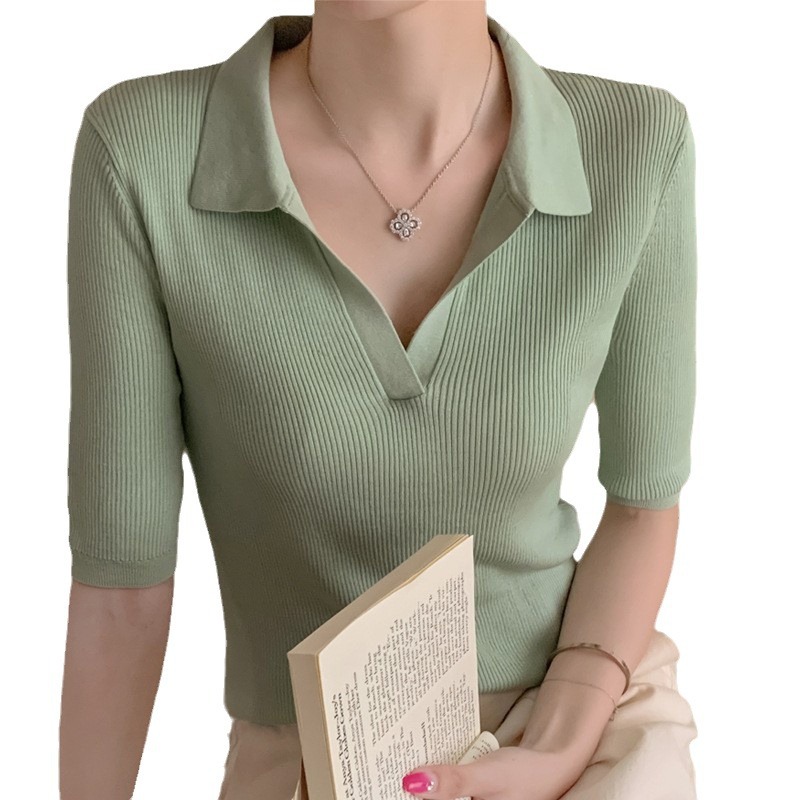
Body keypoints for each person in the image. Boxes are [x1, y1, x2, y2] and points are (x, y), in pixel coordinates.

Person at [59, 3, 700, 799]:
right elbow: (120, 589)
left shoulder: (636, 144)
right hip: (313, 758)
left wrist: (560, 743)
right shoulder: (145, 152)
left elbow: (643, 506)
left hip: (582, 722)